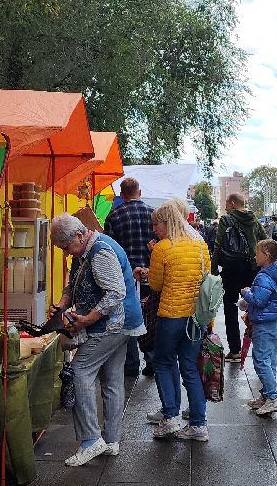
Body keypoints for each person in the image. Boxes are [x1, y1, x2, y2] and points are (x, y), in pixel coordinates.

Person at [51, 213, 145, 466]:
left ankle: (91, 441)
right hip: (121, 324)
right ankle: (111, 440)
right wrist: (62, 305)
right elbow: (73, 285)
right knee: (112, 381)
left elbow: (116, 292)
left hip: (113, 324)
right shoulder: (84, 250)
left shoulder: (100, 252)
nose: (65, 252)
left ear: (79, 236)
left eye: (65, 246)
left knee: (81, 370)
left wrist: (89, 318)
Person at [143, 198, 212, 441]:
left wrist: (152, 262)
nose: (154, 230)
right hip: (196, 316)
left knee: (163, 362)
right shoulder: (200, 245)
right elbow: (207, 279)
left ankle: (170, 417)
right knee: (190, 366)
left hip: (172, 315)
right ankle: (198, 424)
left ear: (166, 223)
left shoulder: (162, 247)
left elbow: (155, 284)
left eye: (155, 225)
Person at [103, 177, 155, 377]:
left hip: (126, 275)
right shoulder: (153, 214)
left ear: (122, 195)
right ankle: (151, 360)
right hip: (151, 273)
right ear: (139, 192)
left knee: (130, 317)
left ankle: (131, 365)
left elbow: (110, 251)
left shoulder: (114, 215)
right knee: (150, 316)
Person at [212, 193, 266, 362]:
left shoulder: (226, 220)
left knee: (230, 306)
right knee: (255, 307)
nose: (226, 208)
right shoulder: (254, 220)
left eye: (227, 204)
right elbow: (266, 241)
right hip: (252, 269)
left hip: (231, 269)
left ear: (233, 204)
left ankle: (235, 350)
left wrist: (213, 270)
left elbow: (218, 244)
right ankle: (260, 348)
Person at [242, 239, 277, 416]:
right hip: (273, 321)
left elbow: (259, 300)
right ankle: (266, 395)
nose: (255, 256)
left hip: (263, 323)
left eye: (257, 253)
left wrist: (246, 293)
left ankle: (273, 397)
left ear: (266, 255)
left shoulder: (263, 276)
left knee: (261, 360)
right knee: (270, 359)